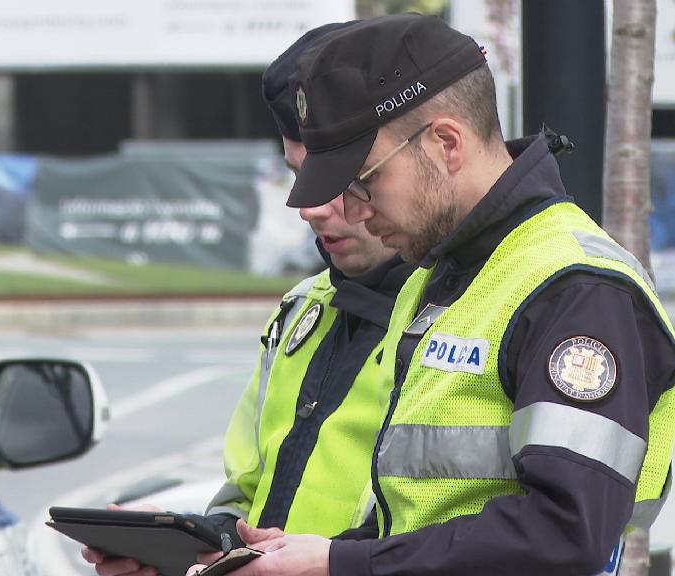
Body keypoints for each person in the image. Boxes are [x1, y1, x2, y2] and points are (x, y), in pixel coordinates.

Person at [192, 13, 675, 576]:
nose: (351, 211)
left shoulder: (576, 288)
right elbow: (414, 518)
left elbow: (567, 534)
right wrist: (299, 557)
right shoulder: (443, 273)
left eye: (361, 182)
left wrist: (338, 563)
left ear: (446, 143)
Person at [82, 22, 414, 576]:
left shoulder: (465, 309)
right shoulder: (302, 311)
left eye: (339, 178)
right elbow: (250, 500)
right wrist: (186, 548)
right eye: (298, 176)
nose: (310, 207)